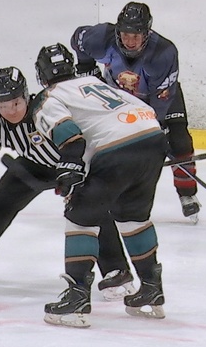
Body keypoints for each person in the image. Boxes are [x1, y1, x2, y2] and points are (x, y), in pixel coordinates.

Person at [0, 66, 136, 300]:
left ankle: (116, 270)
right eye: (2, 106)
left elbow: (82, 136)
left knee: (91, 210)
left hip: (70, 165)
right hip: (33, 166)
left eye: (15, 104)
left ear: (25, 96)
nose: (10, 111)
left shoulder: (46, 108)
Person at [32, 44, 169, 328]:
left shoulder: (48, 97)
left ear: (42, 75)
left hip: (114, 149)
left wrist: (70, 167)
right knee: (133, 215)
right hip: (151, 139)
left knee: (80, 216)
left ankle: (77, 295)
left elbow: (68, 134)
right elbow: (146, 111)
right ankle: (151, 288)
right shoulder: (95, 82)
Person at [71, 1, 202, 222]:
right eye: (125, 35)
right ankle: (99, 193)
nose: (129, 41)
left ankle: (188, 195)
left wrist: (151, 132)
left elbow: (159, 104)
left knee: (180, 143)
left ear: (147, 34)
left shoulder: (163, 53)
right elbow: (78, 39)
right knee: (106, 147)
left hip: (160, 99)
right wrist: (87, 69)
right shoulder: (102, 37)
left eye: (136, 36)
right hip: (117, 98)